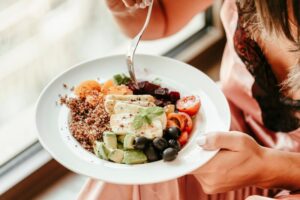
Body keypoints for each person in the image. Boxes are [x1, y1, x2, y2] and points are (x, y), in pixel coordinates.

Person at [78, 0, 300, 199]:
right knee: (135, 172)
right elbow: (162, 18)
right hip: (233, 122)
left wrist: (269, 168)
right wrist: (122, 6)